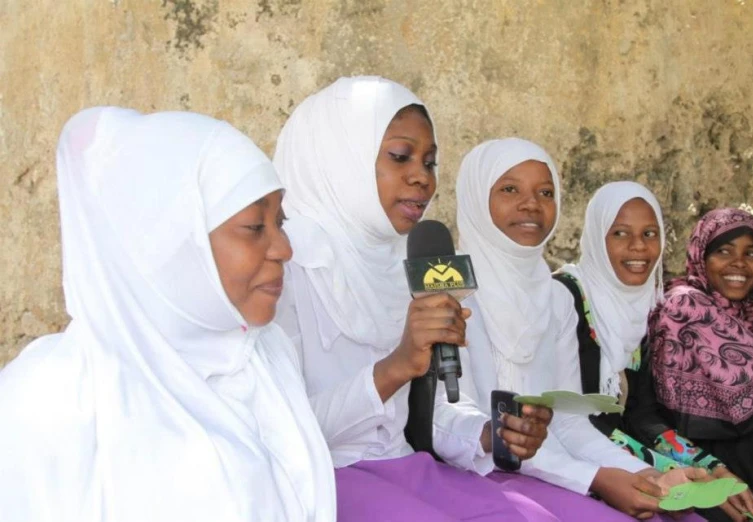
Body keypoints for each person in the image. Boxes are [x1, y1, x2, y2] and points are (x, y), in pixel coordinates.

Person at [0, 107, 336, 521]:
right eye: (254, 226)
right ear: (175, 243)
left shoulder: (266, 357)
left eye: (280, 222)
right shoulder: (52, 399)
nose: (285, 248)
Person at [274, 76, 558, 521]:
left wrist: (488, 434)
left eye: (429, 162)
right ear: (339, 157)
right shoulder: (283, 267)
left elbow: (430, 413)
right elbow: (285, 431)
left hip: (409, 467)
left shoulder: (406, 261)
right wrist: (395, 367)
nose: (421, 178)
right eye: (400, 156)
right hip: (329, 479)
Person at [455, 138, 706, 522]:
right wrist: (598, 479)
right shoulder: (451, 297)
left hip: (555, 472)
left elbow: (568, 421)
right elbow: (455, 426)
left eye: (545, 191)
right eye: (509, 189)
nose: (531, 204)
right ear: (475, 197)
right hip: (477, 480)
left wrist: (646, 475)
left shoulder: (555, 299)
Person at [557, 183, 753, 522]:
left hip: (620, 457)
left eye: (649, 233)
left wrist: (713, 468)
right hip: (577, 465)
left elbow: (642, 415)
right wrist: (673, 473)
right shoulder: (567, 298)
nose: (638, 246)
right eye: (620, 233)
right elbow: (576, 423)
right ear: (596, 237)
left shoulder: (641, 307)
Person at [640, 208, 753, 515]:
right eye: (724, 251)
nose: (739, 264)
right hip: (705, 456)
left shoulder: (744, 319)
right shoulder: (686, 304)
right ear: (701, 257)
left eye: (752, 253)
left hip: (747, 452)